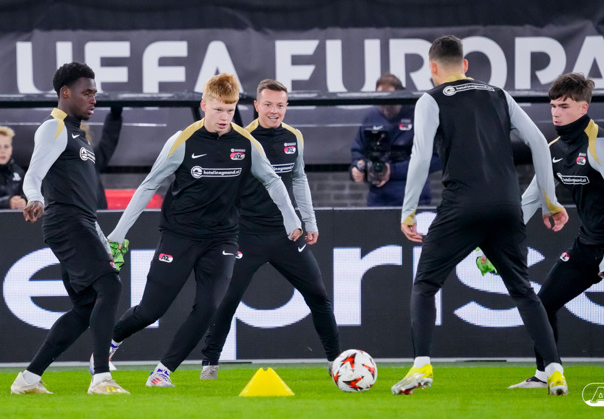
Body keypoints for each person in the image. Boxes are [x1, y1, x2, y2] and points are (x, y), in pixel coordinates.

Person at [394, 35, 569, 396]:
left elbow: (421, 156)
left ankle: (421, 365)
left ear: (432, 68)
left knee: (426, 285)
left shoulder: (431, 99)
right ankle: (554, 371)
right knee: (523, 290)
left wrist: (408, 210)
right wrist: (550, 201)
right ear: (465, 65)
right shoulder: (498, 94)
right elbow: (540, 142)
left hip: (462, 206)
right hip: (507, 206)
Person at [102, 73, 302, 387]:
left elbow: (273, 181)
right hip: (179, 235)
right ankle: (111, 341)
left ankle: (163, 371)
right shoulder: (182, 141)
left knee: (209, 307)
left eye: (230, 110)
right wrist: (118, 233)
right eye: (218, 109)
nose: (225, 117)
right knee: (151, 311)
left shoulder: (246, 143)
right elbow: (148, 186)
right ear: (204, 105)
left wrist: (292, 219)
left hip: (222, 237)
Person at [200, 79, 341, 379]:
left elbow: (299, 178)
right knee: (226, 300)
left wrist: (309, 221)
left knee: (319, 296)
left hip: (287, 235)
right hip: (246, 235)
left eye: (280, 105)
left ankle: (337, 362)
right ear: (256, 106)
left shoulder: (294, 137)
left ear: (286, 106)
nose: (274, 111)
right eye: (268, 105)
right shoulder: (241, 138)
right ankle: (209, 364)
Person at [11, 62, 128, 395]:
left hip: (81, 223)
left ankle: (28, 379)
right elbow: (34, 175)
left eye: (95, 93)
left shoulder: (78, 133)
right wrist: (35, 198)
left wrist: (99, 235)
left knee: (85, 308)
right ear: (65, 93)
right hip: (67, 223)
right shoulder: (55, 127)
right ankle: (101, 378)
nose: (93, 99)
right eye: (86, 93)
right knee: (110, 286)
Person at [508, 73, 604, 389]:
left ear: (583, 108)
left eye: (564, 106)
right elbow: (531, 199)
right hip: (587, 247)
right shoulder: (552, 150)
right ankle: (544, 374)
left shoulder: (599, 144)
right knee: (543, 304)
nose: (556, 113)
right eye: (553, 106)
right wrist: (501, 239)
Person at [350, 73, 440, 206]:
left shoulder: (419, 117)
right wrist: (357, 167)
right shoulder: (371, 117)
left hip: (414, 197)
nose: (385, 110)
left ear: (400, 97)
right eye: (381, 105)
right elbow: (358, 150)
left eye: (390, 105)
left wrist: (393, 170)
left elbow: (436, 159)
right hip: (379, 198)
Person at [88, 107, 123, 210]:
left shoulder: (91, 157)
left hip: (97, 214)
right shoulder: (56, 160)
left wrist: (115, 116)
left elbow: (108, 142)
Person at [0, 126, 26, 210]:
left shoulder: (19, 172)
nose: (2, 151)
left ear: (11, 149)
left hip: (15, 217)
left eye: (6, 147)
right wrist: (6, 203)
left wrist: (24, 201)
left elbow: (29, 195)